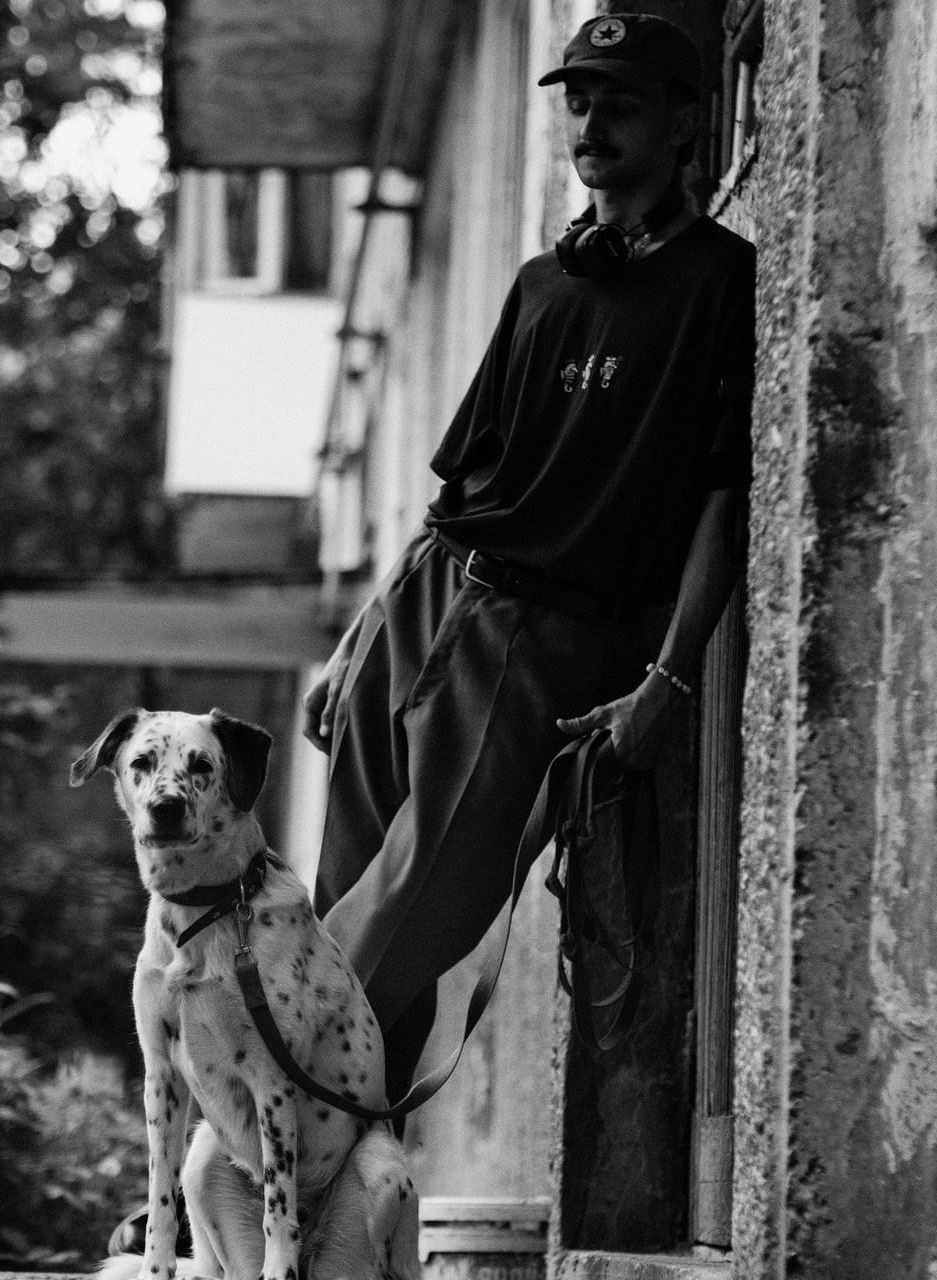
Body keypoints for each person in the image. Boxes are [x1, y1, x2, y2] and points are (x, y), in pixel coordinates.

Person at [302, 13, 756, 1106]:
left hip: (535, 641)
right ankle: (321, 1220)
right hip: (425, 607)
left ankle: (234, 1143)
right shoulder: (540, 282)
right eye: (578, 101)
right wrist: (360, 632)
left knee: (399, 924)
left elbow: (720, 500)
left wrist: (666, 676)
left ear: (686, 123)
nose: (590, 125)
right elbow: (456, 489)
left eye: (622, 104)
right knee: (335, 910)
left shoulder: (719, 284)